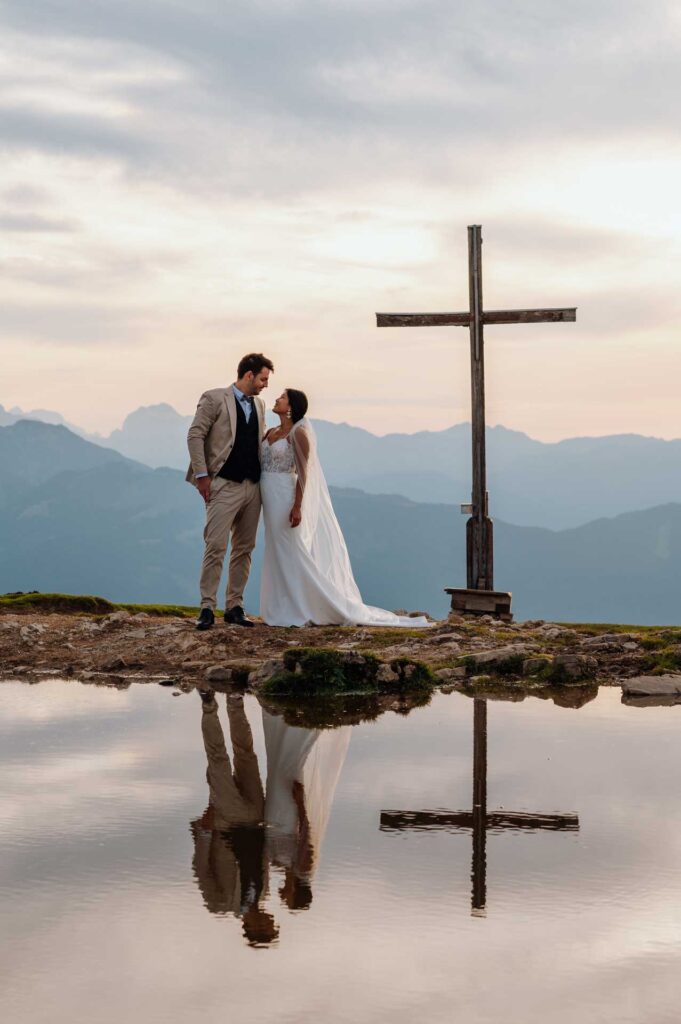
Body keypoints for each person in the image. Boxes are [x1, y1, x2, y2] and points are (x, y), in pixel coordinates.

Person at [259, 389, 431, 628]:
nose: (277, 399)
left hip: (285, 497)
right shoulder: (270, 432)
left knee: (293, 551)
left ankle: (312, 604)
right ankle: (281, 604)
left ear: (291, 407)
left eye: (283, 397)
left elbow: (303, 474)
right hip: (268, 498)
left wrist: (297, 505)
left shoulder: (299, 434)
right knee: (275, 550)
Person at [186, 353, 273, 630]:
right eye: (262, 379)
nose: (265, 385)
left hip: (253, 487)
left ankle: (235, 606)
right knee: (215, 546)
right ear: (249, 375)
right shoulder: (214, 398)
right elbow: (195, 435)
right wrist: (202, 476)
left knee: (245, 549)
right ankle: (207, 608)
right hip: (223, 484)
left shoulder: (260, 405)